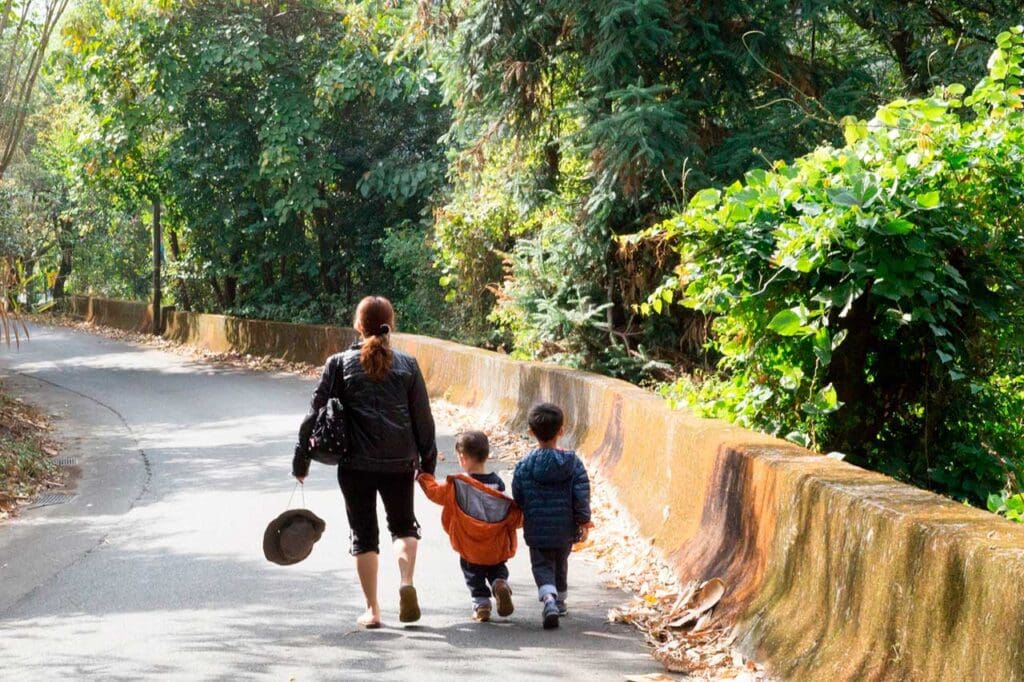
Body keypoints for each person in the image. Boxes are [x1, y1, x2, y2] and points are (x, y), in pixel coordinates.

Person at [293, 295, 437, 629]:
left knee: (363, 535)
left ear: (358, 326)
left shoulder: (339, 364)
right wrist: (427, 466)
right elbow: (423, 420)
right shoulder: (408, 365)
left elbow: (312, 414)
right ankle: (406, 583)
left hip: (355, 464)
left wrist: (301, 461)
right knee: (404, 526)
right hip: (400, 462)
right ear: (392, 323)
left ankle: (373, 610)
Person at [418, 431, 522, 622]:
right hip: (496, 544)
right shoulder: (497, 485)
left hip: (469, 544)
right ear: (487, 454)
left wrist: (424, 477)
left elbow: (436, 494)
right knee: (497, 567)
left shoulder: (459, 485)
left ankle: (481, 604)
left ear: (462, 458)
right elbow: (510, 514)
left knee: (472, 572)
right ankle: (499, 583)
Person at [511, 402, 593, 630]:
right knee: (560, 561)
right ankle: (561, 600)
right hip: (565, 529)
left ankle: (548, 598)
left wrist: (524, 512)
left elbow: (518, 494)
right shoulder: (573, 463)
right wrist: (584, 520)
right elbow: (581, 494)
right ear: (561, 431)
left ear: (530, 432)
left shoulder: (524, 465)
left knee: (542, 565)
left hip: (536, 528)